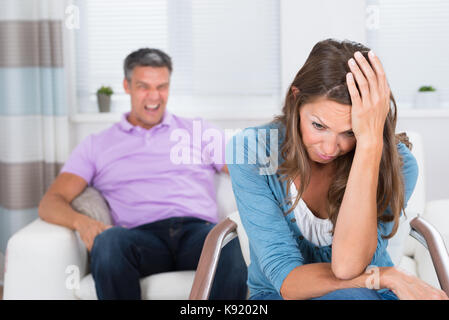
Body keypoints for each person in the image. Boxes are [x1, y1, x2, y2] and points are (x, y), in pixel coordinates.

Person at [225, 39, 448, 300]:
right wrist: (384, 276)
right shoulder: (251, 150)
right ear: (296, 98)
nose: (330, 148)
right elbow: (286, 280)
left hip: (361, 295)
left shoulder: (398, 164)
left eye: (350, 132)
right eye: (319, 126)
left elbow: (347, 266)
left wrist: (370, 145)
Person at [38, 48, 247, 300]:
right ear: (126, 86)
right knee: (109, 241)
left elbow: (247, 173)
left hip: (197, 233)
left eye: (161, 86)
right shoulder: (96, 145)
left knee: (225, 240)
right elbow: (51, 201)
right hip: (138, 238)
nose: (154, 96)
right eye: (143, 86)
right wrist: (81, 222)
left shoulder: (197, 131)